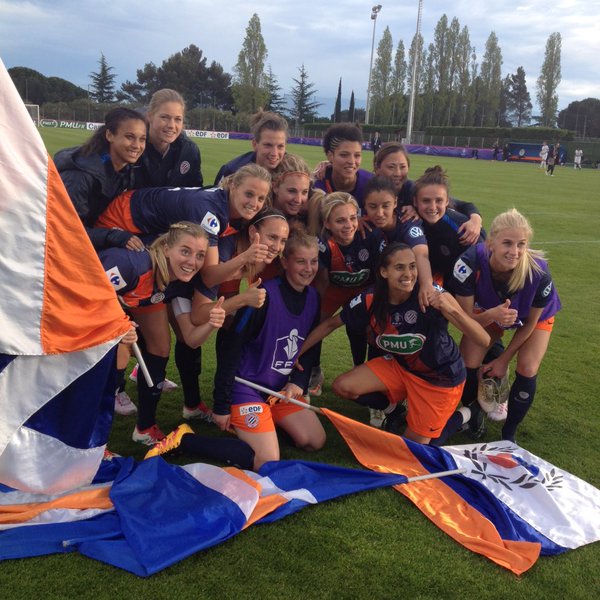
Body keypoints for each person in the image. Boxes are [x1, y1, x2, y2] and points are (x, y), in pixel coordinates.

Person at [297, 242, 490, 445]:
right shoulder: (370, 299)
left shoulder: (431, 294)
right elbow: (330, 324)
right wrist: (298, 353)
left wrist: (448, 308)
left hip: (440, 379)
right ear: (384, 272)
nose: (408, 273)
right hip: (402, 368)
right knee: (343, 386)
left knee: (412, 451)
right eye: (399, 267)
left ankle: (467, 413)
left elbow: (483, 339)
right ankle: (395, 411)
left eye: (412, 266)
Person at [101, 222, 227, 445]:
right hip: (64, 308)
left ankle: (145, 428)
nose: (192, 262)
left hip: (138, 299)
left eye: (200, 255)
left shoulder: (180, 279)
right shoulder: (131, 265)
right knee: (115, 355)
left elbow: (191, 337)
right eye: (185, 251)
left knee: (159, 348)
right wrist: (116, 324)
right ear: (167, 248)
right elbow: (85, 293)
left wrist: (212, 323)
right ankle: (88, 441)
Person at [210, 230, 326, 470]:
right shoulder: (263, 297)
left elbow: (312, 345)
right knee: (267, 461)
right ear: (284, 262)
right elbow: (231, 347)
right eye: (300, 261)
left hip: (279, 389)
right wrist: (221, 404)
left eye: (313, 261)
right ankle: (186, 440)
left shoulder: (314, 297)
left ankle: (264, 426)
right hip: (247, 387)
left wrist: (299, 382)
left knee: (314, 441)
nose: (308, 268)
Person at [451, 209, 561, 441]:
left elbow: (530, 322)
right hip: (490, 313)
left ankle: (508, 433)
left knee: (528, 367)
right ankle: (475, 411)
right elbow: (465, 318)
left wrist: (503, 360)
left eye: (521, 244)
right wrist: (492, 315)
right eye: (507, 243)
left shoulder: (539, 272)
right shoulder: (469, 263)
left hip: (531, 319)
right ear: (491, 243)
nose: (515, 251)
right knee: (468, 362)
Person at [54, 107, 147, 250]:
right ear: (110, 135)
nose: (137, 146)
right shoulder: (79, 176)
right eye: (129, 137)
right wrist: (112, 236)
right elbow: (66, 232)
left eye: (142, 139)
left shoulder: (125, 169)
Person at [373, 143, 482, 246]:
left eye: (402, 167)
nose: (397, 173)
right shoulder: (369, 189)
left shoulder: (411, 189)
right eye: (391, 167)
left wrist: (476, 220)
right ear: (377, 168)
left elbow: (461, 205)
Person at [412, 166, 485, 288]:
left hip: (457, 286)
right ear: (415, 201)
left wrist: (476, 219)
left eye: (439, 201)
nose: (432, 207)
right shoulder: (410, 218)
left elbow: (481, 260)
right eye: (426, 201)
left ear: (447, 201)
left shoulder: (461, 228)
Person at [135, 88, 203, 188]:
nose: (172, 125)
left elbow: (195, 192)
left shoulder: (189, 151)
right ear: (150, 116)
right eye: (164, 117)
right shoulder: (134, 147)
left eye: (178, 119)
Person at [214, 110, 288, 184]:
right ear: (255, 144)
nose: (274, 153)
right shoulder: (232, 171)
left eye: (280, 146)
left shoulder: (292, 171)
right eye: (268, 145)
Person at [313, 123, 373, 210]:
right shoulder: (316, 185)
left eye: (357, 155)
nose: (352, 162)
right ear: (330, 156)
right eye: (344, 155)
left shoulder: (371, 184)